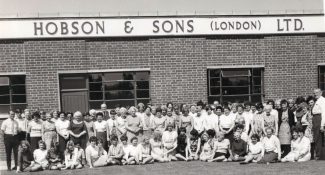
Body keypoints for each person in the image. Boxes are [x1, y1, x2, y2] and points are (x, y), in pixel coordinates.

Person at [312, 88, 325, 160]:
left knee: (319, 137)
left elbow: (324, 113)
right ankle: (318, 155)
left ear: (321, 92)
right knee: (316, 137)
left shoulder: (322, 100)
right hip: (315, 119)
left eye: (317, 92)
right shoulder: (317, 100)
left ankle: (319, 156)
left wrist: (322, 125)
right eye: (314, 93)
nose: (315, 94)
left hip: (319, 119)